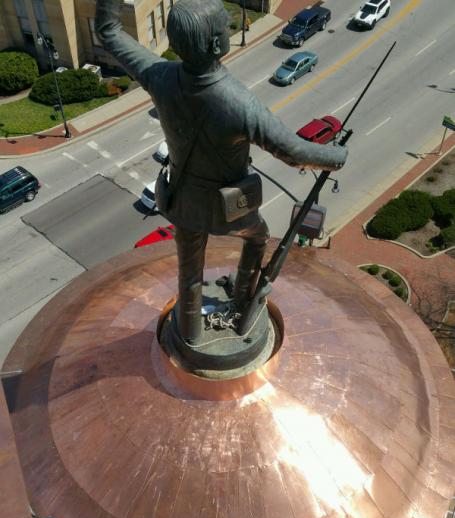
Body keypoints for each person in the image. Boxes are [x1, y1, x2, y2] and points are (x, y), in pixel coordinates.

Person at [95, 0, 347, 343]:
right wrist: (337, 156)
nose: (230, 30)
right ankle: (244, 296)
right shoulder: (242, 104)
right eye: (224, 27)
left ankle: (192, 340)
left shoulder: (159, 76)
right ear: (216, 44)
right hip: (227, 211)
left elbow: (108, 31)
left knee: (190, 274)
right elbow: (294, 151)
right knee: (258, 236)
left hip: (181, 201)